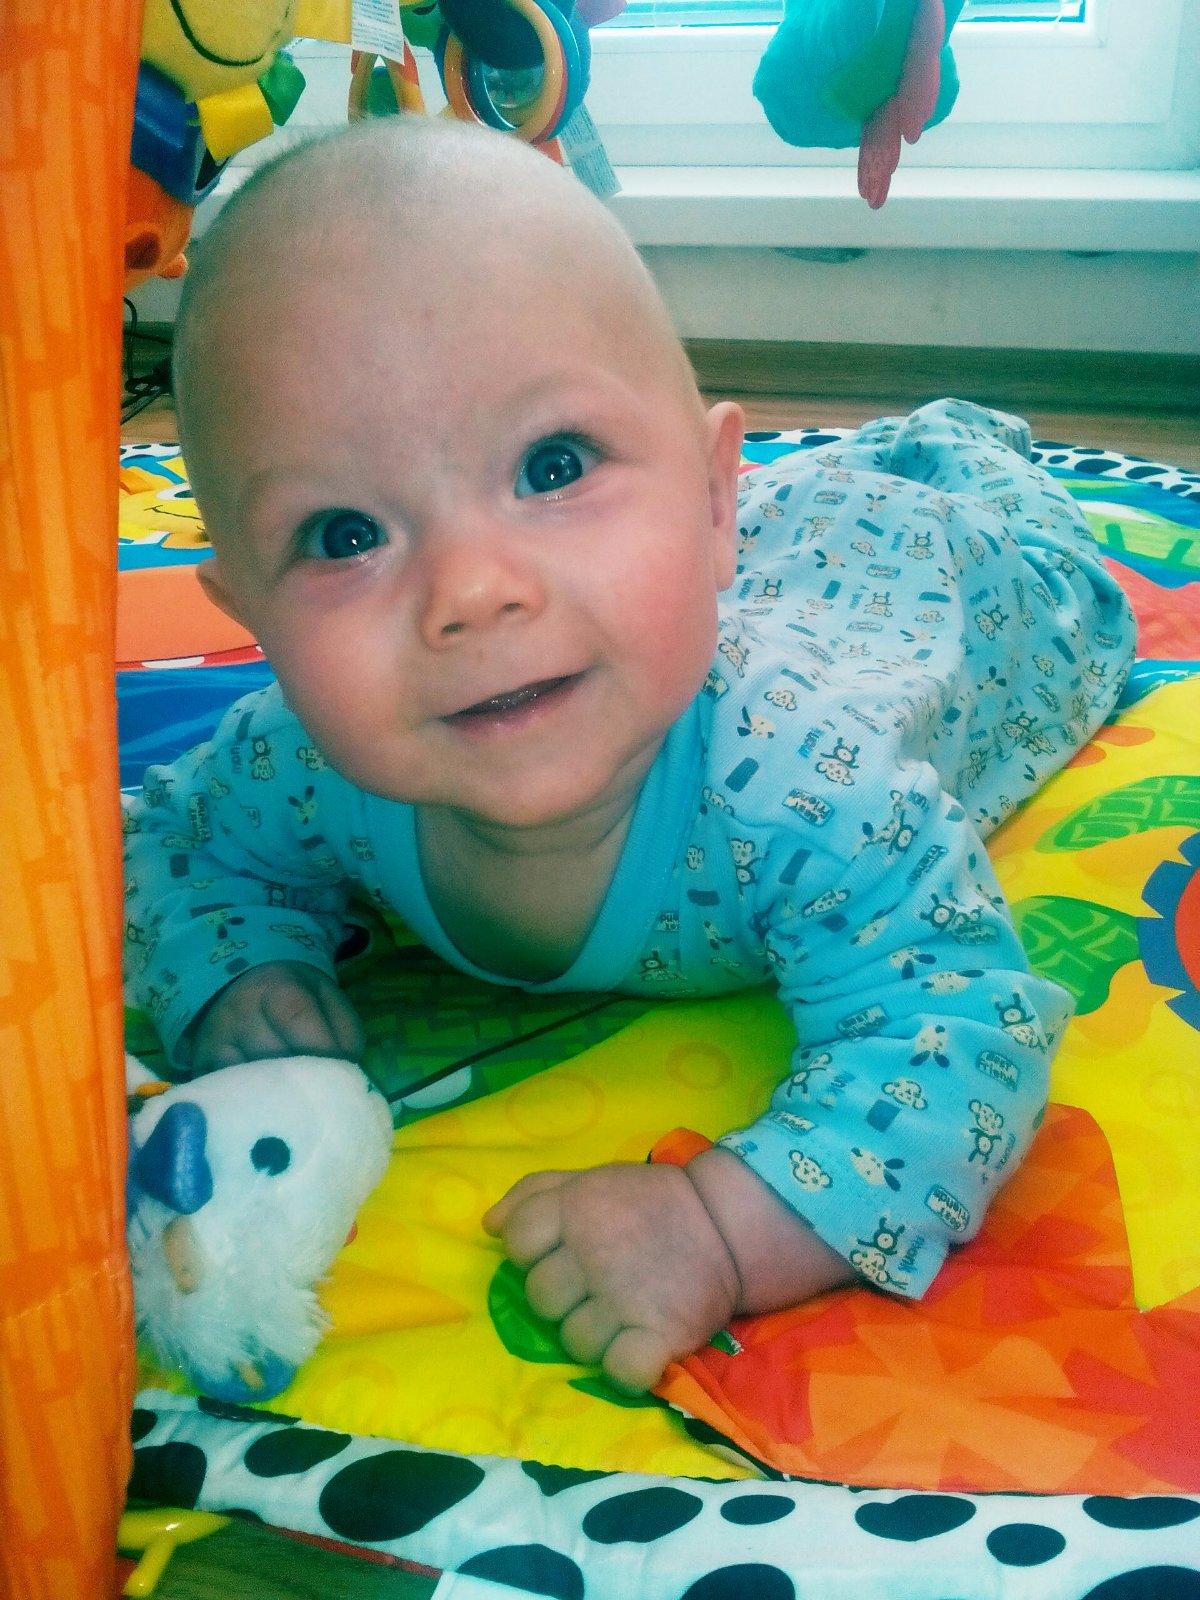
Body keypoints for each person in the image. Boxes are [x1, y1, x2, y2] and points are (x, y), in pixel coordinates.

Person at [123, 117, 1136, 1394]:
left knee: (972, 516)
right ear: (250, 618)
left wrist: (727, 1225)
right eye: (344, 535)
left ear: (714, 500)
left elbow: (959, 1023)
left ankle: (940, 455)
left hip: (966, 593)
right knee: (722, 555)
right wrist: (235, 962)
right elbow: (173, 837)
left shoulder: (806, 790)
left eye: (553, 465)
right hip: (756, 563)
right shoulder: (301, 762)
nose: (472, 591)